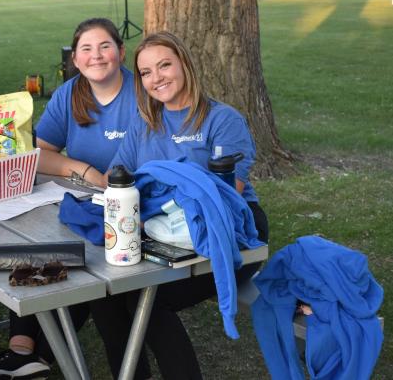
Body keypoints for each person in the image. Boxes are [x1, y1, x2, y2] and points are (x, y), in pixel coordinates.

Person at [0, 18, 152, 380]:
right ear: (75, 57)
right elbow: (41, 152)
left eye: (104, 46)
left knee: (79, 273)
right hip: (83, 200)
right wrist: (84, 170)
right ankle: (23, 349)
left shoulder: (143, 94)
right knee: (33, 248)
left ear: (121, 51)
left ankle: (30, 354)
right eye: (86, 48)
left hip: (133, 208)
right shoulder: (70, 93)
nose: (96, 56)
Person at [93, 31, 270, 380]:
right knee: (104, 296)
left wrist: (151, 202)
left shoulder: (223, 120)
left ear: (184, 64)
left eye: (164, 66)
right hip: (158, 232)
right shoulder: (145, 122)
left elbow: (222, 198)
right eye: (145, 72)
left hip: (226, 233)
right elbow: (116, 177)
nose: (156, 78)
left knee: (148, 300)